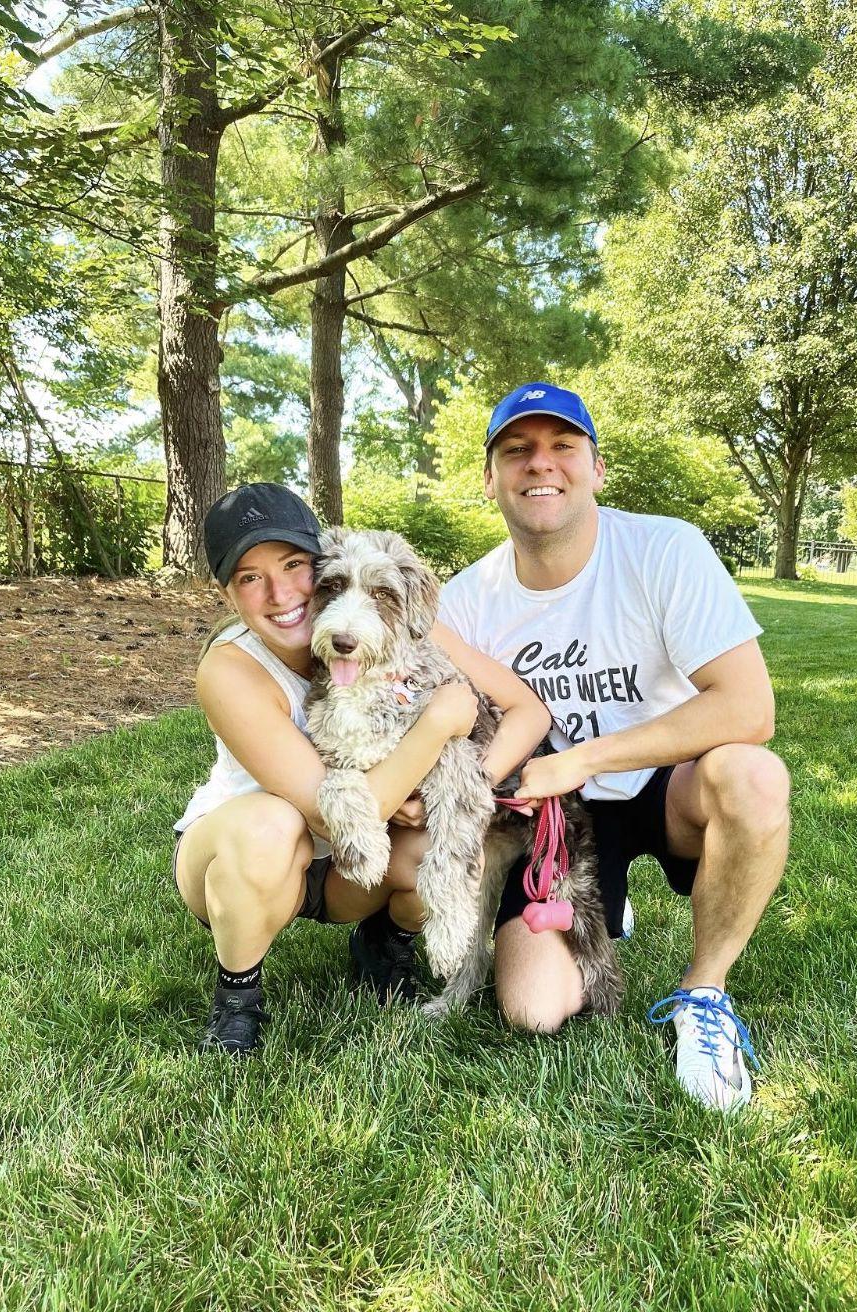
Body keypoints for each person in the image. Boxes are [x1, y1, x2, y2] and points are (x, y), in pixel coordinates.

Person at [435, 383, 791, 1111]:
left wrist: (586, 757)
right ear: (490, 478)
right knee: (532, 1008)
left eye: (563, 447)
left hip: (667, 786)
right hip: (553, 818)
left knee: (753, 776)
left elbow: (750, 707)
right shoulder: (466, 601)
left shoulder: (664, 548)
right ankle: (608, 902)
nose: (542, 465)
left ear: (596, 468)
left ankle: (705, 995)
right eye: (517, 451)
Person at [173, 482, 550, 1055]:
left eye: (293, 565)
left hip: (346, 869)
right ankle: (238, 997)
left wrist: (471, 778)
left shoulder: (398, 623)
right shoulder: (231, 669)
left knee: (445, 841)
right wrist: (437, 725)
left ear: (322, 561)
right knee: (273, 825)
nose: (280, 593)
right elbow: (333, 816)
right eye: (250, 578)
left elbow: (528, 710)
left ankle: (385, 939)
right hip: (243, 858)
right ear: (229, 595)